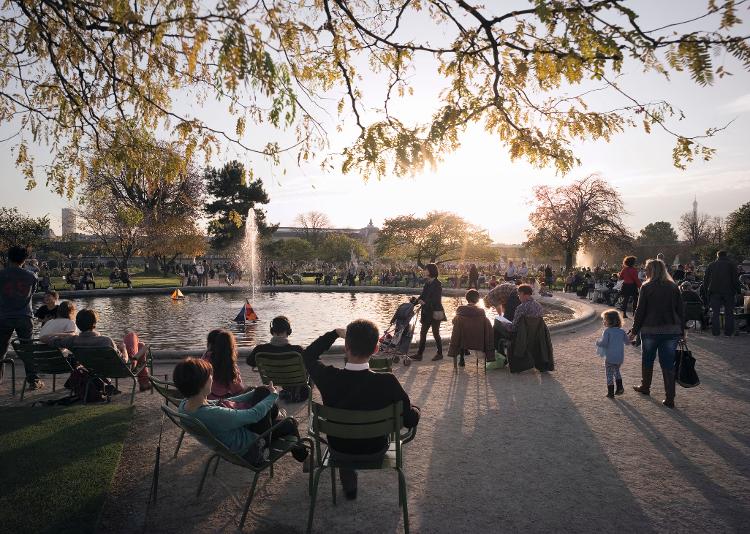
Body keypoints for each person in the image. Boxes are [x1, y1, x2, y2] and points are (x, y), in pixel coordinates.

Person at [302, 320, 420, 500]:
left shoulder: (328, 377)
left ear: (345, 348)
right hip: (376, 450)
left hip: (339, 450)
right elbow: (410, 420)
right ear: (375, 350)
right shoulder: (388, 382)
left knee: (347, 432)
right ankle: (349, 478)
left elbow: (308, 355)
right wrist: (416, 410)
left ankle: (349, 482)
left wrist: (334, 333)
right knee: (358, 429)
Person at [174, 358, 308, 466]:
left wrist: (254, 392)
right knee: (290, 423)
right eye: (209, 376)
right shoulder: (213, 414)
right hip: (253, 449)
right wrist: (273, 395)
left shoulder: (185, 405)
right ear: (201, 384)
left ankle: (276, 415)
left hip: (231, 445)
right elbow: (254, 414)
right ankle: (304, 458)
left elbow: (227, 401)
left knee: (261, 392)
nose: (212, 378)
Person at [47, 309, 152, 391]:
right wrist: (123, 348)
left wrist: (69, 335)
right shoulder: (105, 341)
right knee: (133, 337)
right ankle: (144, 383)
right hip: (123, 369)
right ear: (94, 324)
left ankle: (144, 383)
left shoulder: (73, 341)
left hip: (94, 369)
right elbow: (124, 361)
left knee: (140, 345)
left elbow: (50, 339)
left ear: (78, 324)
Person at [630, 259, 684, 409]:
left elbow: (640, 311)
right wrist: (682, 331)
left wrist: (634, 331)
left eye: (647, 269)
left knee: (647, 359)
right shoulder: (674, 287)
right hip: (671, 330)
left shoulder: (646, 287)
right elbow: (680, 310)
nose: (645, 271)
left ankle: (645, 387)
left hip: (650, 329)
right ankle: (670, 398)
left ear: (651, 271)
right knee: (668, 363)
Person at [0, 246, 41, 389]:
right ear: (24, 260)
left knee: (1, 349)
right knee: (28, 349)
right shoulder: (31, 276)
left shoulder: (1, 275)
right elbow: (32, 294)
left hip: (4, 316)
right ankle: (33, 380)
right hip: (24, 315)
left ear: (9, 258)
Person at [246, 316, 308, 402]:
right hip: (294, 379)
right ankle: (295, 391)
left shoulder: (260, 349)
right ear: (289, 331)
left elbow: (249, 362)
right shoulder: (297, 350)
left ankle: (288, 391)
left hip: (272, 379)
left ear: (272, 331)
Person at [447, 289, 494, 367]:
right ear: (477, 300)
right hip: (478, 340)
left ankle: (462, 358)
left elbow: (454, 322)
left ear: (466, 298)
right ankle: (466, 351)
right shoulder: (481, 311)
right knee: (468, 331)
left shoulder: (460, 309)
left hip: (463, 339)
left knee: (461, 332)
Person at [410, 263, 445, 362]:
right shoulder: (427, 283)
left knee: (435, 333)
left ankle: (440, 353)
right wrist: (414, 302)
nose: (424, 271)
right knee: (423, 332)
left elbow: (436, 300)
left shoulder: (437, 284)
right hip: (426, 311)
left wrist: (424, 302)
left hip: (435, 312)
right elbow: (423, 296)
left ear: (431, 271)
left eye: (426, 270)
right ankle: (419, 354)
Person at [704, 250, 741, 336]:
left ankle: (716, 332)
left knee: (715, 313)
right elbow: (735, 279)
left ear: (717, 256)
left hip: (714, 291)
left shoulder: (711, 265)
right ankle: (728, 332)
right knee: (729, 313)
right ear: (726, 255)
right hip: (728, 292)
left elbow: (706, 279)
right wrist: (738, 290)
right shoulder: (731, 265)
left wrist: (706, 291)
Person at [201, 329, 246, 399]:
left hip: (205, 399)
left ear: (209, 344)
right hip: (223, 403)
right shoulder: (228, 364)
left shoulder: (203, 361)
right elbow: (238, 390)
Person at [596, 310, 629, 398]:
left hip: (610, 357)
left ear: (610, 321)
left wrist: (597, 342)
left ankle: (610, 392)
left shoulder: (607, 331)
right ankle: (620, 387)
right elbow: (627, 342)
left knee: (609, 374)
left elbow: (604, 343)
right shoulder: (622, 331)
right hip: (619, 358)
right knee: (616, 371)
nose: (604, 321)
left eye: (605, 320)